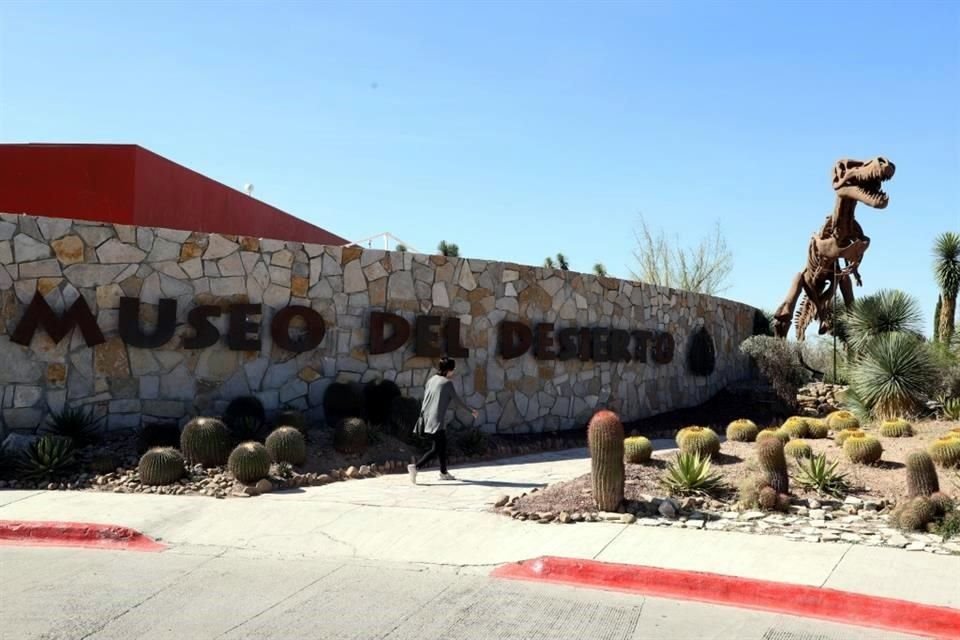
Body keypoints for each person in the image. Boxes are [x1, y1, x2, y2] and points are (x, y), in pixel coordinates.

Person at [408, 357, 478, 484]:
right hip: (437, 421)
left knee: (441, 446)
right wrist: (471, 411)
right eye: (453, 369)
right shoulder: (447, 383)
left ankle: (443, 472)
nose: (454, 372)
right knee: (437, 448)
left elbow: (426, 398)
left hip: (427, 417)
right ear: (449, 370)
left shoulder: (431, 380)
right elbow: (457, 400)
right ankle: (416, 467)